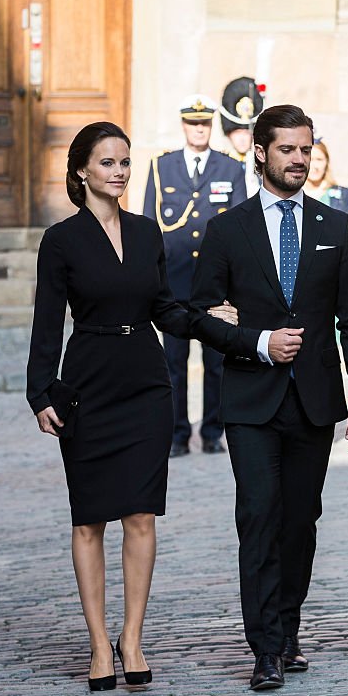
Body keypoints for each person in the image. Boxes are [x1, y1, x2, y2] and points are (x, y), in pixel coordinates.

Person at [26, 122, 236, 691]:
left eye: (124, 162)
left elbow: (165, 309)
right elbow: (47, 324)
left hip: (146, 382)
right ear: (82, 172)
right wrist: (40, 392)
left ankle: (132, 637)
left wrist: (207, 322)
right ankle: (98, 643)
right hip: (89, 381)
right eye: (107, 163)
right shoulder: (62, 241)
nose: (119, 172)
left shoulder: (147, 234)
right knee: (89, 518)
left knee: (140, 515)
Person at [189, 104, 348, 690]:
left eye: (305, 148)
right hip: (250, 400)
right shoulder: (226, 229)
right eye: (287, 149)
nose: (298, 159)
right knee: (259, 517)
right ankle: (265, 646)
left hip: (316, 402)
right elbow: (197, 314)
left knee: (301, 521)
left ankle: (288, 628)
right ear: (261, 153)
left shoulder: (335, 227)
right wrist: (257, 341)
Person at [143, 95, 247, 458]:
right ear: (184, 125)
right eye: (193, 123)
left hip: (215, 287)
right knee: (173, 365)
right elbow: (149, 232)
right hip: (173, 285)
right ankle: (176, 434)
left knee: (216, 364)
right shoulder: (161, 167)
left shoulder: (230, 168)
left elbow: (238, 231)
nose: (199, 129)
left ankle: (213, 433)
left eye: (204, 123)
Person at [220, 76, 263, 197]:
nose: (243, 138)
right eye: (238, 132)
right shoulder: (221, 164)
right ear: (229, 134)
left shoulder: (262, 163)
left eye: (246, 133)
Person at [305, 139, 348, 232]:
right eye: (311, 159)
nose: (315, 166)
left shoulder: (342, 194)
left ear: (326, 162)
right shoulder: (293, 194)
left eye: (319, 159)